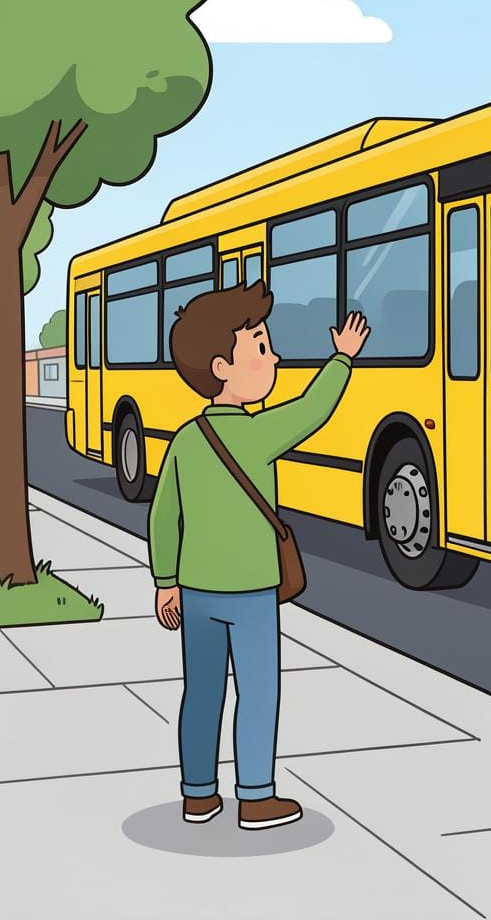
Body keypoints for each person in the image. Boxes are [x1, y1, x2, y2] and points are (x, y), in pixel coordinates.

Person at [148, 280, 369, 829]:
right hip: (250, 591)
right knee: (258, 691)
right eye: (262, 348)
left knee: (201, 694)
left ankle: (198, 794)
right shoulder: (256, 434)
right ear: (222, 367)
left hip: (196, 592)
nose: (274, 358)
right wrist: (342, 358)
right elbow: (312, 410)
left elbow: (163, 515)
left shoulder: (187, 439)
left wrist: (165, 581)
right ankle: (255, 796)